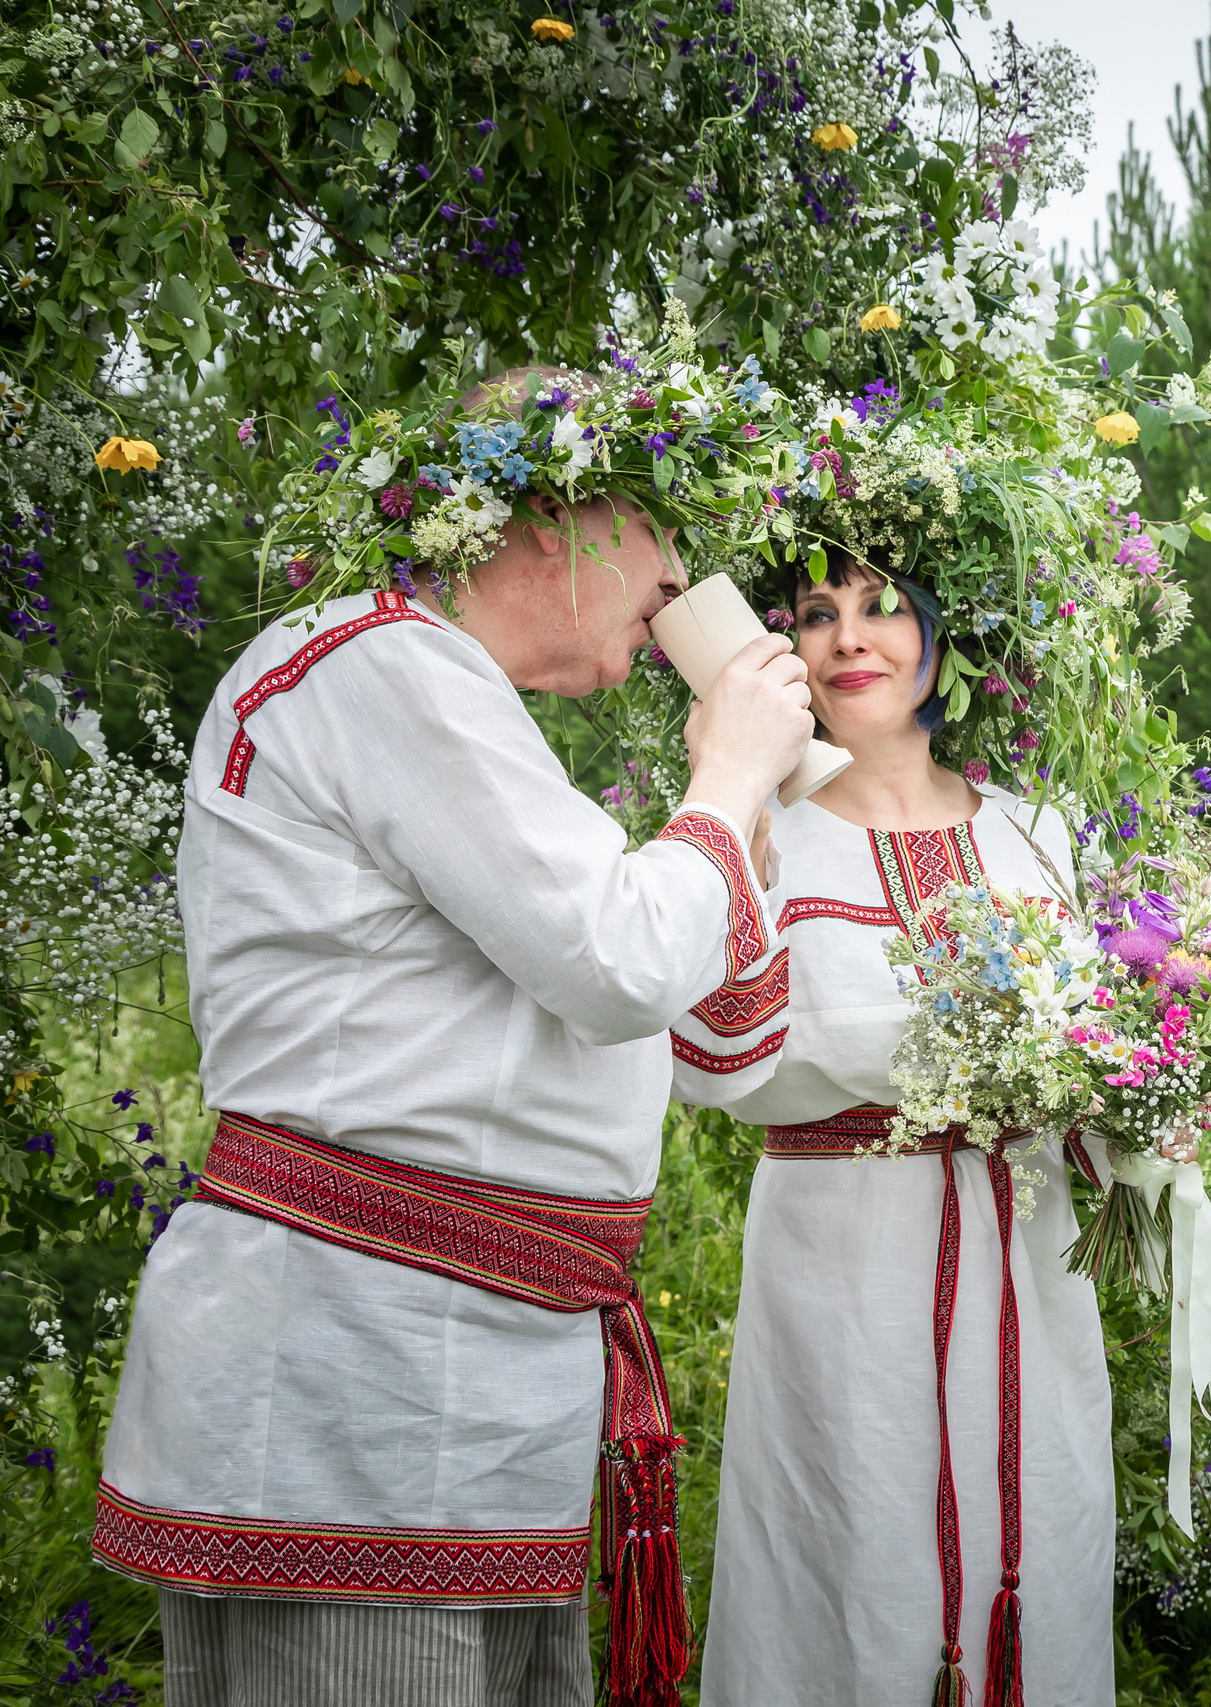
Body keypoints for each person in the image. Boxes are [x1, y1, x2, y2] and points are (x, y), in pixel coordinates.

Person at [92, 368, 815, 1707]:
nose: (682, 587)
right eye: (666, 536)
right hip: (353, 1386)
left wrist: (746, 810)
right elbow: (619, 961)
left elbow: (712, 1038)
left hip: (465, 1394)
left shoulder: (460, 706)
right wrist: (724, 780)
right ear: (556, 519)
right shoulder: (379, 663)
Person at [667, 551, 1113, 1707]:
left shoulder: (1038, 833)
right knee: (853, 1545)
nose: (851, 640)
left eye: (883, 609)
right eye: (818, 616)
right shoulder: (755, 829)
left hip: (1029, 1255)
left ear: (945, 637)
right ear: (781, 654)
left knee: (1044, 1521)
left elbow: (1110, 1043)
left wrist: (1159, 1094)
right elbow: (711, 1055)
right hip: (845, 1254)